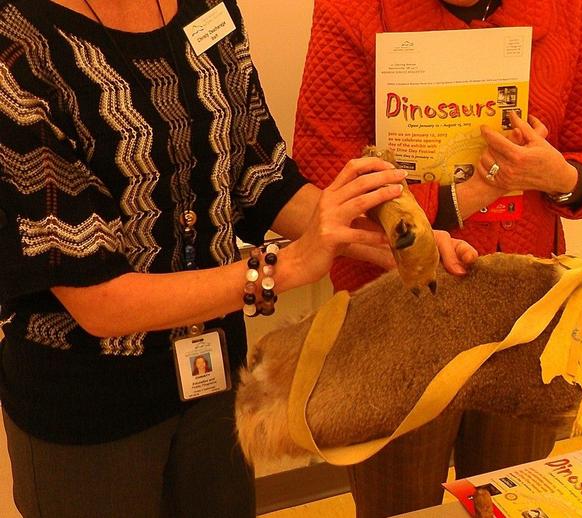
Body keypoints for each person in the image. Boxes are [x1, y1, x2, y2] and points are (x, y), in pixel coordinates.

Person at [0, 0, 478, 517]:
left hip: (213, 376)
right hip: (89, 407)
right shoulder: (19, 47)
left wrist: (398, 241)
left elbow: (261, 177)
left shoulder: (209, 9)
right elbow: (101, 303)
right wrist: (284, 269)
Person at [293, 0, 582, 515]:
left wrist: (559, 176)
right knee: (397, 503)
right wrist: (466, 194)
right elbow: (325, 177)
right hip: (398, 313)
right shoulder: (352, 9)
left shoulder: (567, 9)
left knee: (517, 500)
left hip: (524, 312)